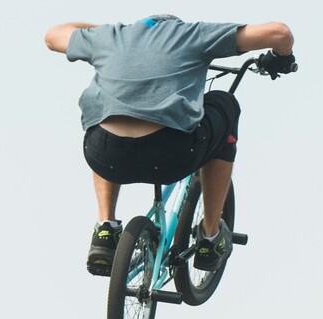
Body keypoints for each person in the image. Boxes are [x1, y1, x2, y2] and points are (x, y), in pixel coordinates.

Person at [44, 15, 295, 275]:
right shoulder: (191, 34)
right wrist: (282, 58)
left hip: (104, 154)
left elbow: (53, 35)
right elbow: (280, 33)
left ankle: (105, 227)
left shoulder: (111, 37)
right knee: (225, 105)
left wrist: (106, 32)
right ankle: (210, 238)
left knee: (105, 109)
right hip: (170, 155)